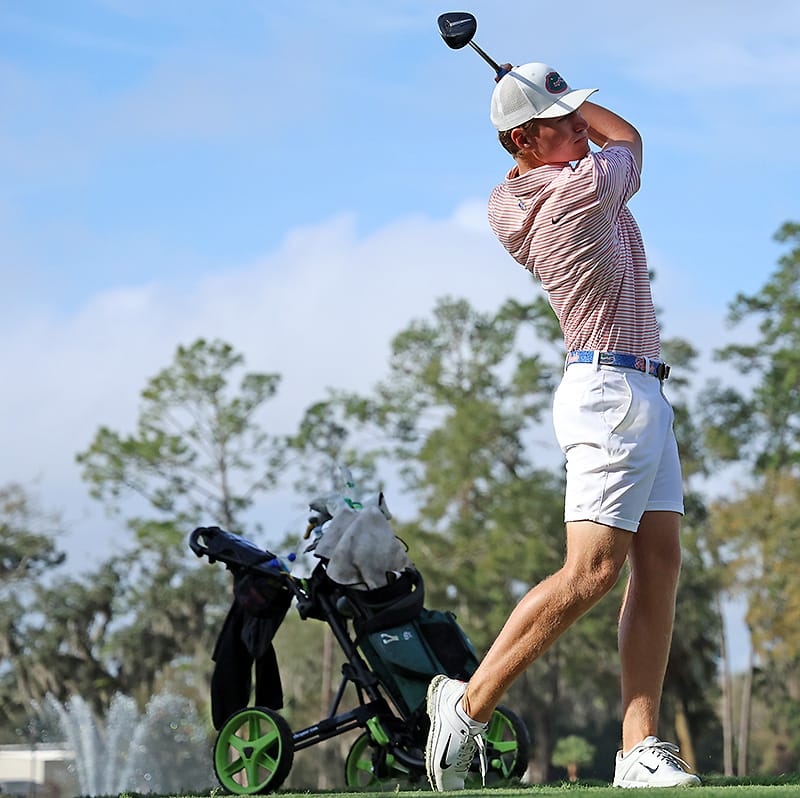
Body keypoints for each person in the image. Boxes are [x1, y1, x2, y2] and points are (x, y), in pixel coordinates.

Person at [424, 62, 701, 791]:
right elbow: (630, 137)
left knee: (660, 560)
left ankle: (638, 748)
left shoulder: (517, 193)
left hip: (638, 385)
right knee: (594, 571)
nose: (582, 125)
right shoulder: (579, 190)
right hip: (611, 392)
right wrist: (570, 101)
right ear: (522, 138)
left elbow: (585, 140)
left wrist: (545, 96)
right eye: (563, 120)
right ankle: (468, 706)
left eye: (579, 114)